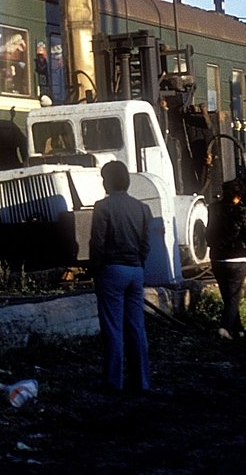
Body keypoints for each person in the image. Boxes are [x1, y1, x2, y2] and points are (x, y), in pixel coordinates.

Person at [89, 160, 153, 392]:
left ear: (109, 180)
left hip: (111, 270)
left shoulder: (102, 207)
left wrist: (95, 269)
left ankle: (113, 380)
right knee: (137, 328)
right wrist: (138, 263)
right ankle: (141, 381)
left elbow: (97, 243)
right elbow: (146, 243)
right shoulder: (142, 208)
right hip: (136, 270)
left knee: (113, 328)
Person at [207, 181, 246, 341]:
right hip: (236, 256)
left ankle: (238, 327)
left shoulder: (212, 208)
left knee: (227, 294)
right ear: (238, 196)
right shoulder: (240, 210)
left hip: (217, 256)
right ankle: (225, 327)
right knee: (234, 295)